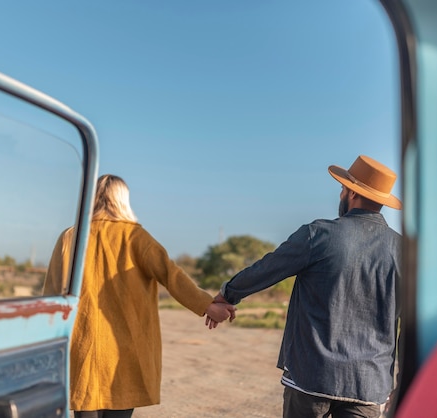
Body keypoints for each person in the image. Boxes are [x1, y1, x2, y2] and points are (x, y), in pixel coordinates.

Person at [212, 155, 402, 418]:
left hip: (311, 376)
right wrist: (402, 383)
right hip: (368, 384)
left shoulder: (319, 234)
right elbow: (413, 323)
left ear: (351, 193)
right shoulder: (405, 251)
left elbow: (267, 269)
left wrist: (226, 294)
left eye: (343, 189)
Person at [44, 174, 235, 418]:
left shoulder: (70, 237)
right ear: (123, 200)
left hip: (82, 351)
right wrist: (208, 305)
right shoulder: (136, 237)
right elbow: (172, 276)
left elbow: (51, 293)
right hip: (125, 355)